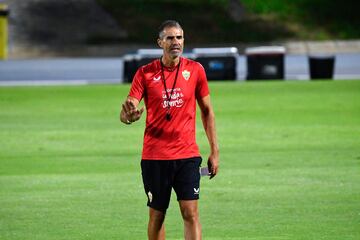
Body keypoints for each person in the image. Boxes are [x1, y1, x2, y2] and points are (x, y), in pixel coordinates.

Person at [120, 20, 219, 240]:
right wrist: (129, 117)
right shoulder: (145, 73)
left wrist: (215, 151)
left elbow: (207, 112)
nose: (176, 42)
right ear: (160, 42)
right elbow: (128, 108)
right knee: (157, 215)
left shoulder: (195, 71)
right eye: (170, 38)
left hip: (187, 155)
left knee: (190, 213)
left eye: (180, 37)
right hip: (155, 156)